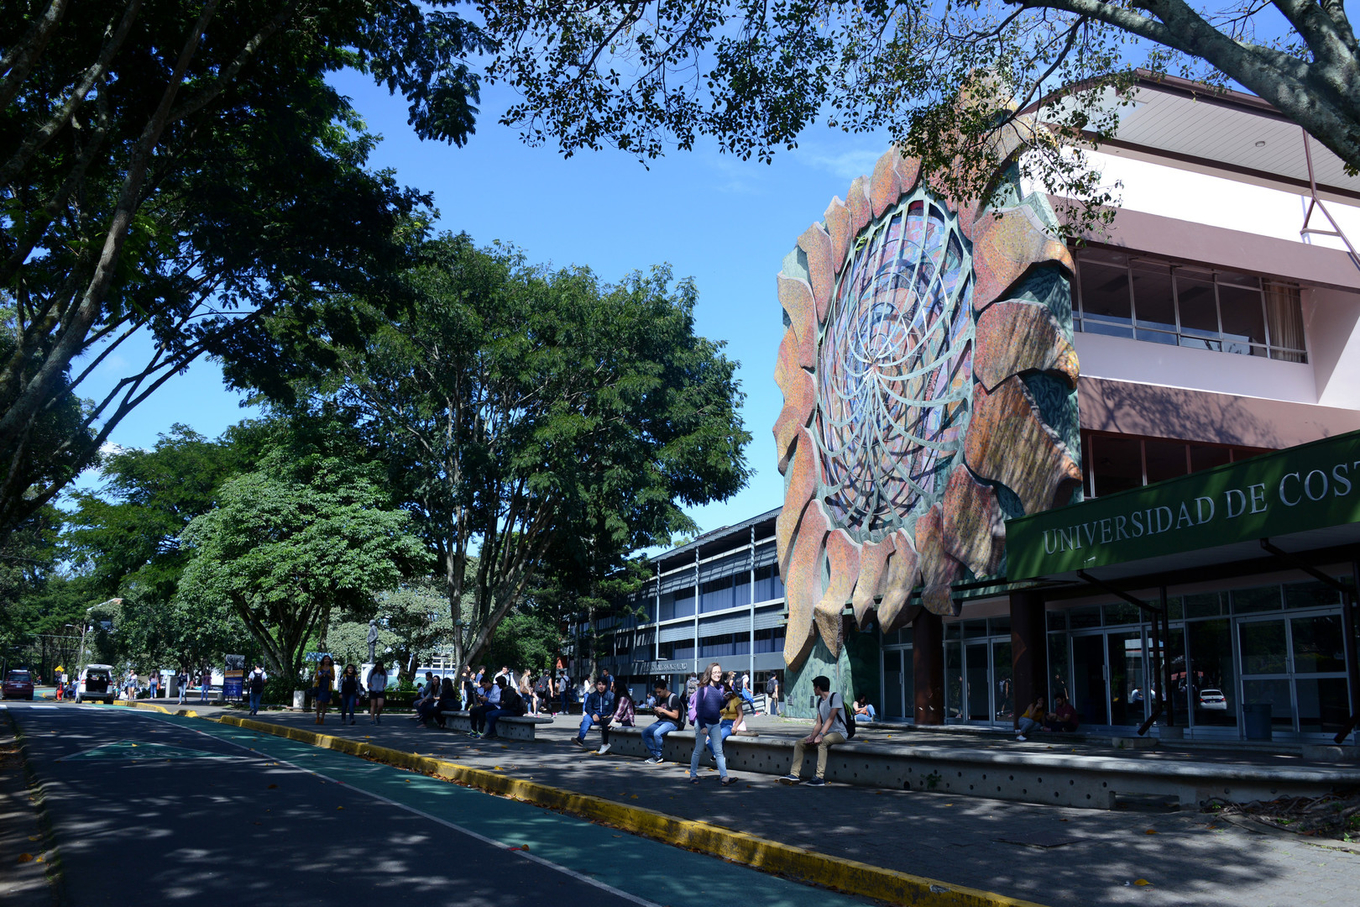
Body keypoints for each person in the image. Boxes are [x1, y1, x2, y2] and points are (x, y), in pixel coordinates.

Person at [778, 675, 846, 786]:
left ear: (818, 688)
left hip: (840, 733)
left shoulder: (835, 697)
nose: (813, 690)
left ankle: (819, 777)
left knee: (822, 742)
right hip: (826, 732)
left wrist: (820, 735)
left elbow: (830, 718)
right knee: (800, 743)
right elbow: (819, 724)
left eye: (814, 687)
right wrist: (812, 737)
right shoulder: (820, 702)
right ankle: (794, 775)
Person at [689, 662, 735, 786]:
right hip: (703, 723)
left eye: (719, 672)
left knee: (719, 751)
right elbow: (699, 708)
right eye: (715, 672)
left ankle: (724, 777)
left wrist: (725, 701)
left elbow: (718, 706)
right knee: (698, 750)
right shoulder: (702, 688)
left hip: (715, 724)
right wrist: (703, 726)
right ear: (709, 673)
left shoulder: (720, 688)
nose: (717, 674)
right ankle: (692, 775)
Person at [643, 680, 684, 764]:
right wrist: (656, 712)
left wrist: (663, 710)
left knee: (657, 733)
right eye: (656, 692)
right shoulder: (659, 698)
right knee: (645, 733)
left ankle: (658, 755)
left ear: (665, 689)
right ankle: (654, 754)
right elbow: (660, 716)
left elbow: (675, 715)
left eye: (659, 692)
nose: (658, 694)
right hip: (661, 721)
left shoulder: (674, 698)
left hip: (673, 723)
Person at [574, 677, 614, 748]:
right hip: (596, 716)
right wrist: (593, 714)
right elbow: (587, 707)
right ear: (596, 685)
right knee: (587, 718)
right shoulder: (592, 695)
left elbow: (612, 708)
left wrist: (607, 716)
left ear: (606, 686)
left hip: (606, 718)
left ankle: (606, 745)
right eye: (599, 684)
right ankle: (580, 739)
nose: (601, 686)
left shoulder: (611, 696)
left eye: (603, 684)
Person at [598, 680, 634, 755]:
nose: (612, 689)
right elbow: (615, 712)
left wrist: (612, 721)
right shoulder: (619, 697)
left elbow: (619, 712)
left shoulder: (624, 698)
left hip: (627, 721)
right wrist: (609, 717)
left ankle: (605, 744)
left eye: (613, 687)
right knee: (604, 721)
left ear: (617, 688)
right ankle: (605, 743)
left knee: (605, 722)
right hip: (621, 720)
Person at [313, 655, 336, 724]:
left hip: (327, 687)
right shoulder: (320, 668)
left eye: (328, 659)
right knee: (319, 702)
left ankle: (322, 718)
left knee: (324, 703)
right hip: (320, 686)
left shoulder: (331, 669)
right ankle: (317, 717)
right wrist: (322, 675)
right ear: (323, 660)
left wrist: (329, 675)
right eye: (325, 659)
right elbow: (316, 677)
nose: (327, 660)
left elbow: (333, 678)